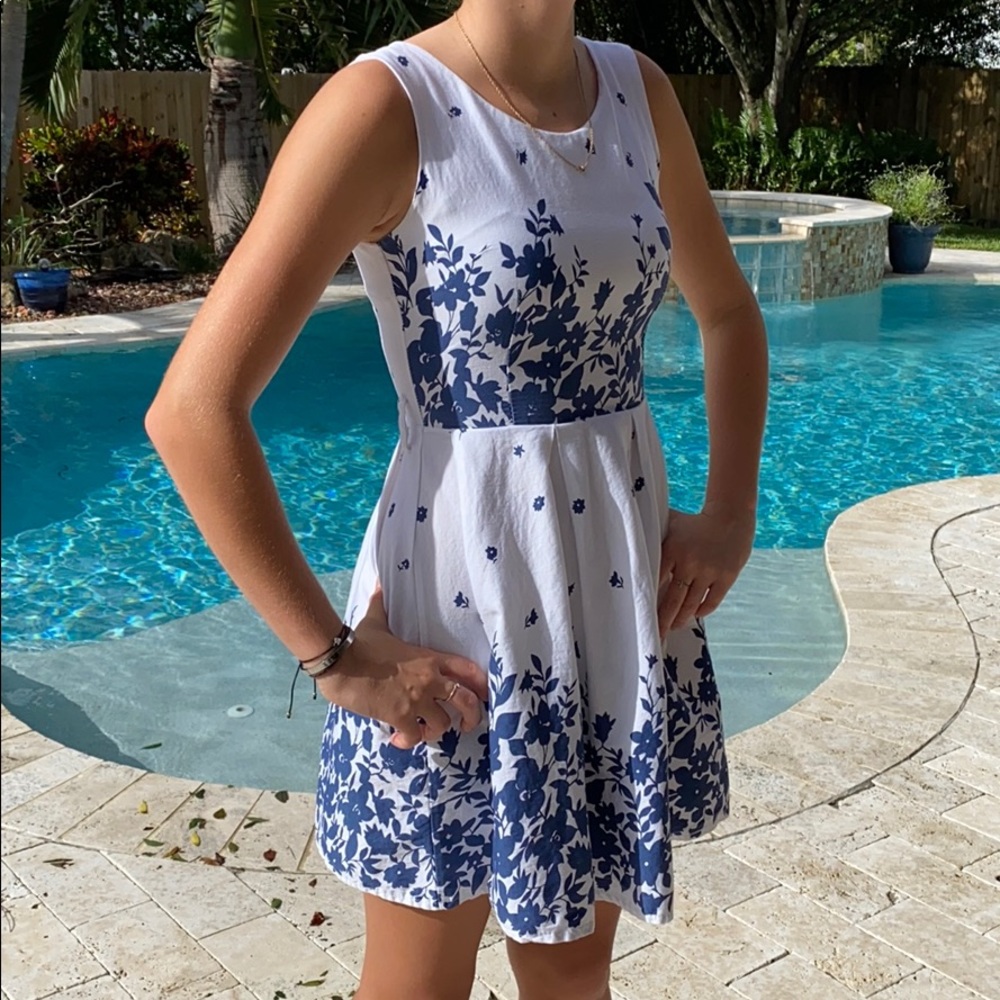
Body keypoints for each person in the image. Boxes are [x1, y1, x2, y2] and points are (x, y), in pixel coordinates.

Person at [145, 1, 768, 998]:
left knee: (570, 978)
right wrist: (334, 656)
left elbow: (729, 312)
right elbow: (192, 411)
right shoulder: (387, 104)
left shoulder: (638, 92)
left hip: (605, 619)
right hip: (450, 625)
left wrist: (729, 516)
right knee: (413, 987)